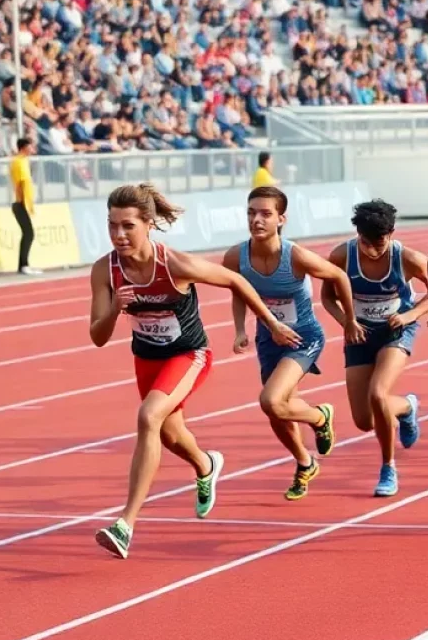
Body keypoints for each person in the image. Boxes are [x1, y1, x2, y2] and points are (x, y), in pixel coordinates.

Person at [91, 184, 302, 559]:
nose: (119, 235)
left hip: (189, 355)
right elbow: (97, 337)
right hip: (147, 359)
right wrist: (113, 310)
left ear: (148, 225)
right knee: (170, 436)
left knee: (148, 417)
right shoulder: (105, 271)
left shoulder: (173, 264)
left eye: (128, 226)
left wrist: (269, 323)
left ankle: (125, 523)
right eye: (112, 226)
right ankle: (206, 465)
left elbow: (236, 280)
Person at [225, 187, 358, 501]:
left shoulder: (295, 256)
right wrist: (239, 329)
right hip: (269, 340)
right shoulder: (236, 256)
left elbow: (339, 276)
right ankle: (304, 462)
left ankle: (320, 417)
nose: (256, 219)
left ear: (281, 219)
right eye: (251, 212)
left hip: (303, 338)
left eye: (265, 213)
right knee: (278, 412)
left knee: (270, 400)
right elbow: (237, 290)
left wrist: (349, 319)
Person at [323, 199, 428, 497]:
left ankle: (388, 467)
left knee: (378, 393)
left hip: (395, 330)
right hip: (359, 333)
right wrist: (346, 322)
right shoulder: (341, 256)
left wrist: (410, 315)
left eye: (380, 242)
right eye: (365, 242)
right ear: (356, 234)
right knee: (364, 420)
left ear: (392, 233)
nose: (373, 249)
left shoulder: (407, 258)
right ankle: (408, 406)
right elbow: (326, 298)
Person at [10, 136, 39, 275]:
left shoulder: (24, 161)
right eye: (30, 146)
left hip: (25, 203)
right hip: (20, 203)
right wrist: (22, 201)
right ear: (24, 147)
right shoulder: (18, 162)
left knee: (28, 233)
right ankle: (23, 265)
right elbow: (20, 183)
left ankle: (23, 264)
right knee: (28, 233)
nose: (32, 149)